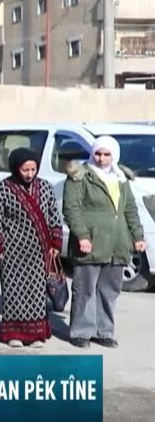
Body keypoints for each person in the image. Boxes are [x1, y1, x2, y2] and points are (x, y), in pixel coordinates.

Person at [63, 136, 145, 349]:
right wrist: (82, 235)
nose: (101, 158)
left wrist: (138, 236)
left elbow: (130, 210)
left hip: (117, 243)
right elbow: (71, 208)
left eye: (106, 154)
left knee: (109, 290)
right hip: (91, 241)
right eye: (98, 153)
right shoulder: (80, 176)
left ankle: (103, 331)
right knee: (85, 289)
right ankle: (81, 331)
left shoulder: (120, 178)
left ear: (114, 155)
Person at [0, 148, 62, 348]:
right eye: (25, 169)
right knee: (14, 292)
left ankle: (36, 335)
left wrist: (56, 243)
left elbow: (54, 217)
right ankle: (15, 334)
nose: (29, 174)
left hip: (39, 251)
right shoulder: (3, 188)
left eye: (33, 169)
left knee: (37, 293)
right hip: (12, 251)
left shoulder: (45, 188)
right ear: (15, 168)